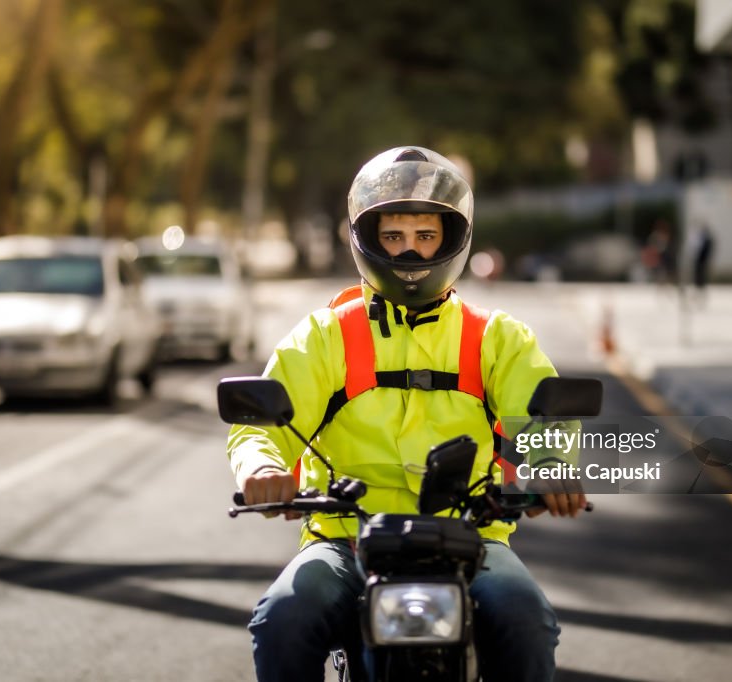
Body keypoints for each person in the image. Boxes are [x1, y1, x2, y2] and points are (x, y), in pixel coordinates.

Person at [227, 146, 588, 682]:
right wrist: (261, 468)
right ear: (368, 239)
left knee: (527, 619)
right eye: (394, 236)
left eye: (425, 235)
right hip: (345, 541)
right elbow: (260, 423)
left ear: (452, 237)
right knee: (282, 618)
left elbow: (545, 418)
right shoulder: (326, 334)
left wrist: (551, 466)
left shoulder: (497, 337)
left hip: (469, 540)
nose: (411, 250)